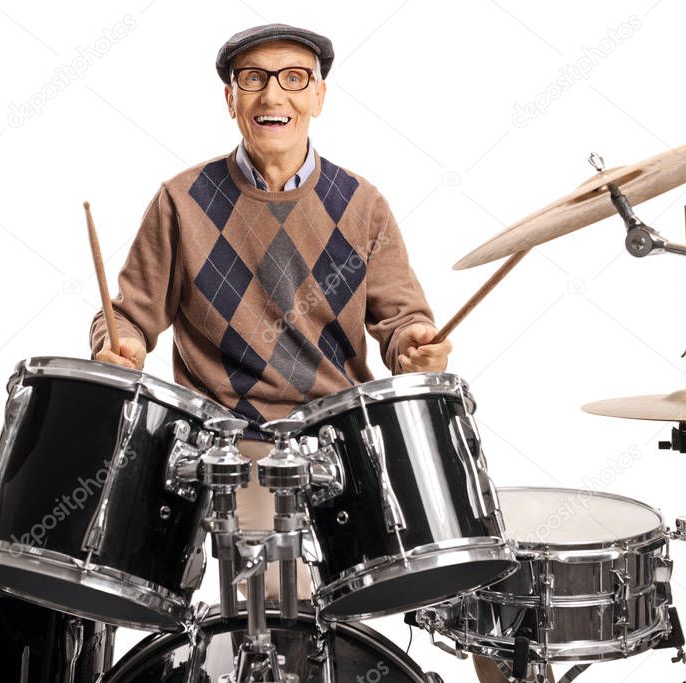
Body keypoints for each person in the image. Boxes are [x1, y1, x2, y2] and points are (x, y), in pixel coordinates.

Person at [90, 23, 451, 602]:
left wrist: (414, 343)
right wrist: (122, 343)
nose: (272, 96)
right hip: (235, 442)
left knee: (467, 558)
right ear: (231, 98)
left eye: (293, 78)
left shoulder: (362, 203)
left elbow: (402, 317)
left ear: (318, 97)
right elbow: (128, 316)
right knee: (284, 595)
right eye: (253, 79)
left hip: (341, 436)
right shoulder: (182, 199)